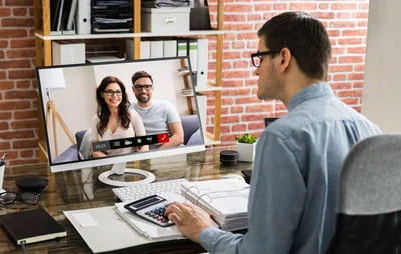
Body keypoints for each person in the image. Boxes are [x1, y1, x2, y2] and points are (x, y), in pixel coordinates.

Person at [165, 11, 381, 254]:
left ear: (283, 58)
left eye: (259, 58)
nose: (256, 71)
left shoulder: (283, 138)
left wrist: (204, 231)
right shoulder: (370, 130)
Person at [91, 76, 148, 158]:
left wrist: (137, 160)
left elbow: (144, 146)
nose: (115, 96)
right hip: (109, 165)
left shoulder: (132, 114)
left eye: (118, 92)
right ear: (101, 94)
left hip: (133, 163)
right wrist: (110, 163)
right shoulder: (97, 119)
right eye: (109, 92)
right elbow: (95, 149)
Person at [130, 71, 184, 149]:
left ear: (152, 88)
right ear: (133, 89)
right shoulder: (128, 111)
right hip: (145, 154)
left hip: (172, 150)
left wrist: (157, 153)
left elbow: (179, 137)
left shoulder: (166, 106)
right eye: (139, 87)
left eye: (147, 86)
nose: (143, 91)